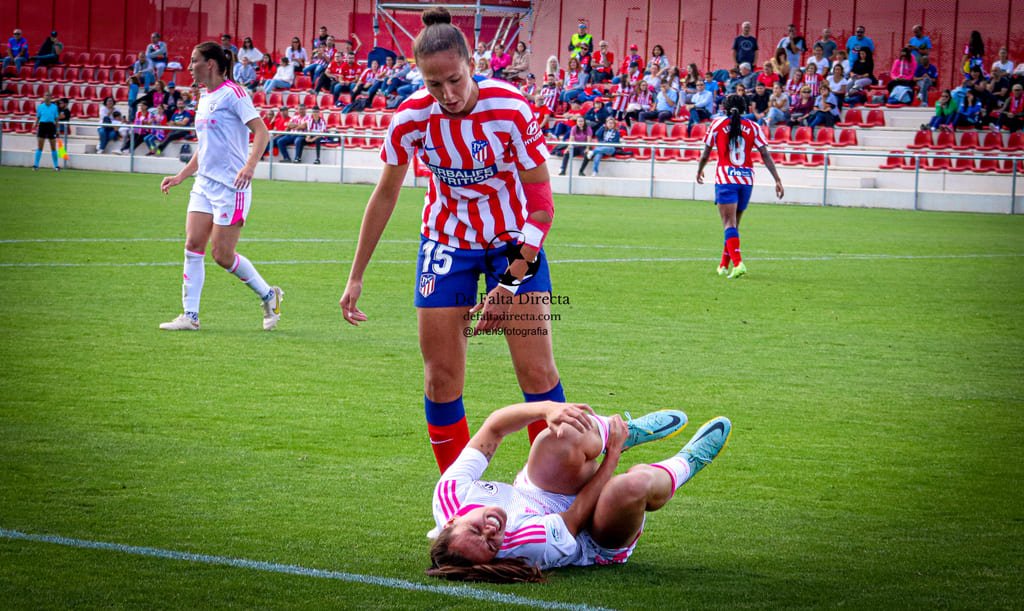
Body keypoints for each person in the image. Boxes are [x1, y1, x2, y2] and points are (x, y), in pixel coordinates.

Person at [339, 8, 566, 473]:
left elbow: (542, 203)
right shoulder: (410, 118)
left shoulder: (510, 108)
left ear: (471, 64)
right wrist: (356, 275)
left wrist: (507, 285)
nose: (447, 94)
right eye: (434, 84)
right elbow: (385, 194)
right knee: (440, 378)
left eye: (455, 80)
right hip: (445, 243)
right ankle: (457, 493)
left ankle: (552, 489)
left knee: (537, 372)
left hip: (514, 242)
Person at [426, 400, 729, 583]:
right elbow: (578, 513)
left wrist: (548, 409)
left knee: (560, 434)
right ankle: (687, 463)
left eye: (476, 529)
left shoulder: (450, 494)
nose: (491, 531)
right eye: (492, 544)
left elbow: (494, 428)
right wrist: (613, 455)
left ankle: (623, 430)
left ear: (451, 521)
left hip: (536, 494)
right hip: (588, 534)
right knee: (629, 487)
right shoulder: (528, 545)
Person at [158, 42, 281, 332]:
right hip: (204, 185)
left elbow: (262, 132)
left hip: (231, 188)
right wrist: (181, 176)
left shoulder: (234, 94)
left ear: (210, 64)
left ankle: (269, 295)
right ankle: (190, 316)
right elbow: (205, 147)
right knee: (192, 246)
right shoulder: (204, 97)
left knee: (222, 256)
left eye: (194, 60)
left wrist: (250, 166)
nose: (189, 66)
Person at [696, 93, 784, 279]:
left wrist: (700, 170)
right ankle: (723, 265)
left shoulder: (717, 124)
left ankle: (738, 264)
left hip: (726, 178)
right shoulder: (753, 126)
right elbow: (765, 154)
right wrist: (777, 179)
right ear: (745, 109)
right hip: (746, 179)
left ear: (724, 108)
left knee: (728, 224)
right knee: (733, 225)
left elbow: (706, 153)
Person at [32, 90, 61, 171]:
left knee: (53, 147)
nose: (47, 97)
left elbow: (56, 119)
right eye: (46, 95)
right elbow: (38, 117)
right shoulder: (40, 107)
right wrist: (35, 123)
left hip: (51, 126)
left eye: (48, 95)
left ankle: (56, 166)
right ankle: (36, 165)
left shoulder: (54, 107)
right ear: (43, 97)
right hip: (42, 126)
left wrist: (57, 129)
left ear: (51, 97)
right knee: (40, 146)